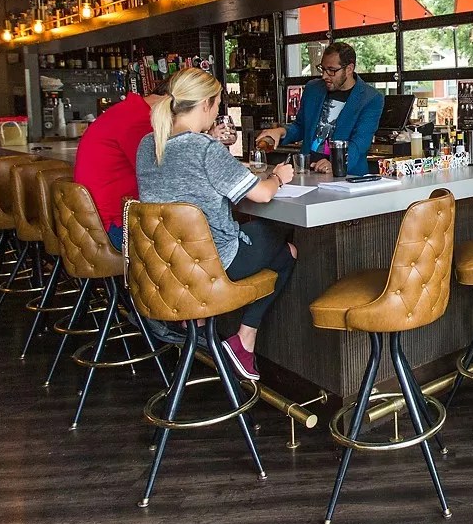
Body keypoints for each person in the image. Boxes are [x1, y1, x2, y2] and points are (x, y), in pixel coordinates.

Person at [136, 68, 296, 382]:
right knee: (286, 249)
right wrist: (279, 176)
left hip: (165, 268)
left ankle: (195, 324)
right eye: (218, 105)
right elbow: (262, 194)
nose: (217, 112)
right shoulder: (204, 149)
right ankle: (243, 341)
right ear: (206, 104)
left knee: (259, 236)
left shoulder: (148, 144)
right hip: (211, 264)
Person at [75, 82, 234, 251]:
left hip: (94, 223)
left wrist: (204, 141)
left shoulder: (128, 111)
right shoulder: (140, 121)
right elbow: (170, 175)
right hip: (115, 228)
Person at [257, 41, 383, 175]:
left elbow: (360, 143)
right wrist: (280, 132)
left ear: (349, 69)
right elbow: (301, 127)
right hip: (307, 172)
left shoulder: (371, 98)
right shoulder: (313, 88)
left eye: (332, 70)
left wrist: (336, 164)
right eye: (323, 69)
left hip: (346, 177)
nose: (324, 76)